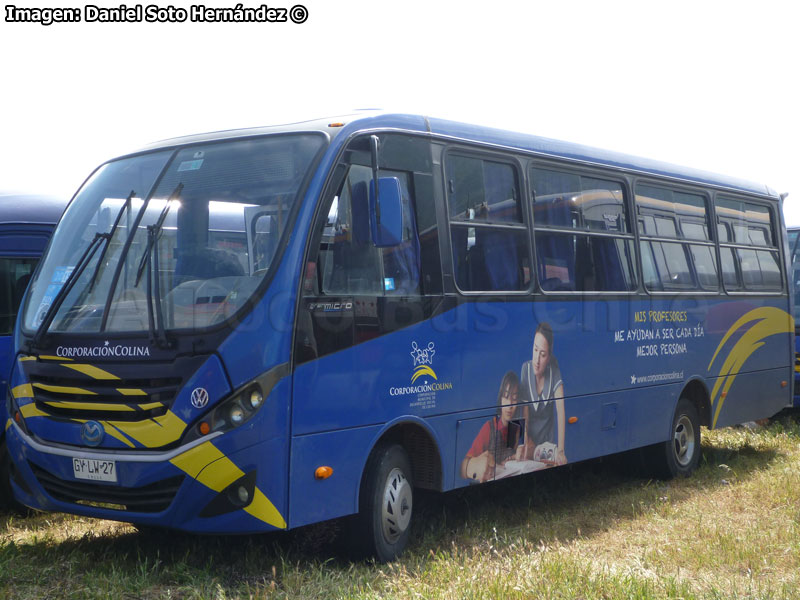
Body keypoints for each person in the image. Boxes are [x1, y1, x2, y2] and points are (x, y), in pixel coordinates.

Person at [461, 371, 524, 482]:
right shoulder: (489, 428)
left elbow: (509, 456)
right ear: (500, 399)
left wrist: (514, 457)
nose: (510, 405)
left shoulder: (516, 428)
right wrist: (476, 464)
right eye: (506, 397)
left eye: (514, 399)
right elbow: (464, 465)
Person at [520, 322, 568, 465]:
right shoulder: (525, 369)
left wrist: (560, 451)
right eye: (535, 350)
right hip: (529, 446)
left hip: (547, 449)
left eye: (542, 354)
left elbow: (561, 412)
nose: (537, 360)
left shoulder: (555, 373)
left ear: (548, 357)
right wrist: (525, 441)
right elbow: (524, 412)